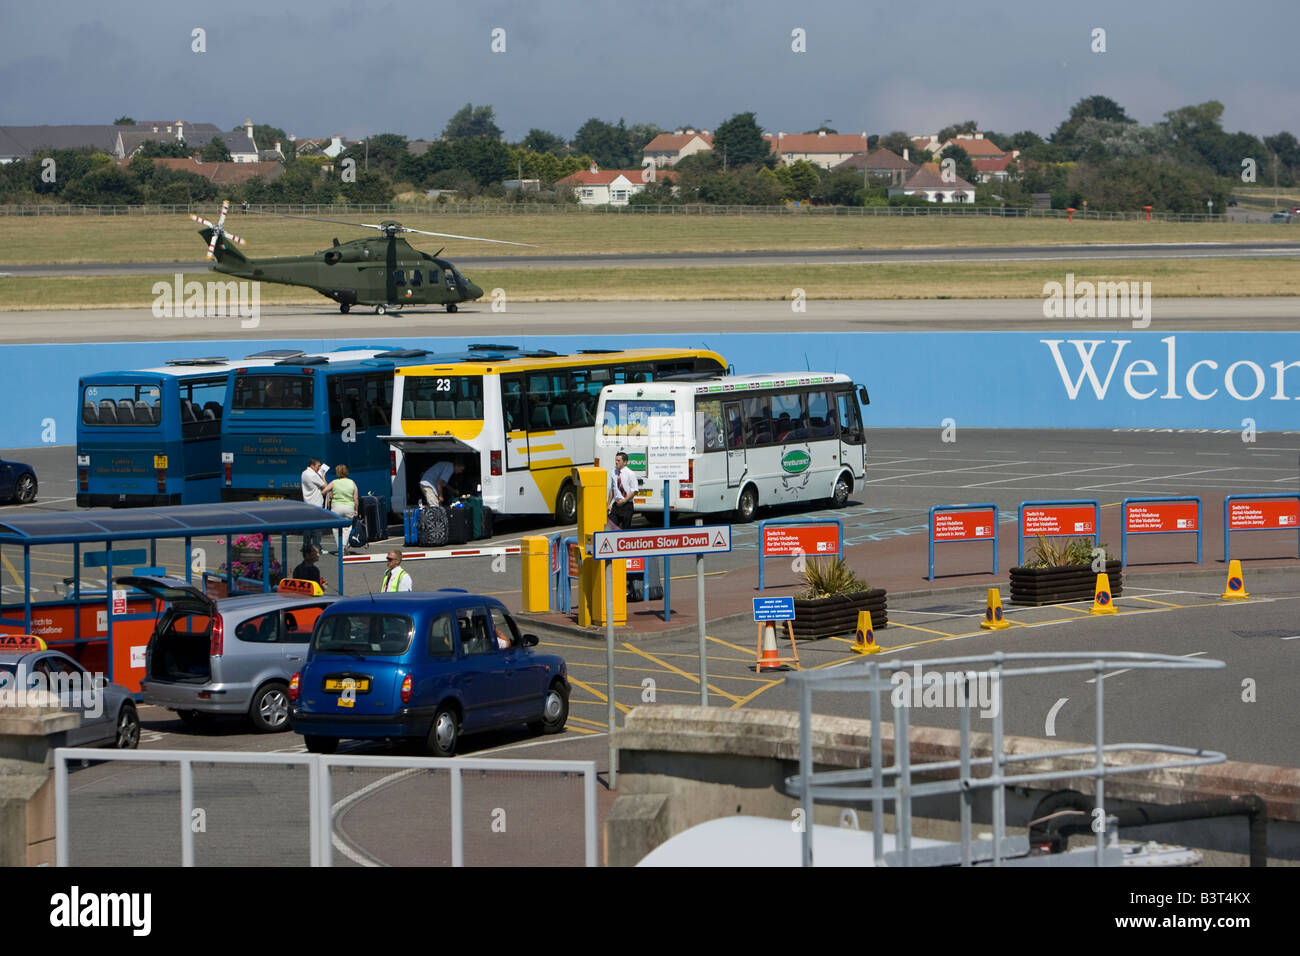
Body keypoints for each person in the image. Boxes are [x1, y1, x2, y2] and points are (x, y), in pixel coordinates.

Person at [323, 464, 358, 553]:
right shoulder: (352, 482)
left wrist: (331, 493)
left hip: (336, 507)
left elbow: (324, 491)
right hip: (349, 507)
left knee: (335, 527)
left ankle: (340, 547)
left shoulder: (334, 482)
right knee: (347, 528)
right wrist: (356, 509)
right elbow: (355, 498)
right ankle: (343, 547)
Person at [301, 457, 327, 553]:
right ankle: (317, 547)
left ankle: (306, 545)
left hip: (308, 503)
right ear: (312, 465)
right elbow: (325, 486)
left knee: (308, 528)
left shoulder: (304, 473)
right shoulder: (313, 475)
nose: (319, 469)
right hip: (316, 504)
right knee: (317, 529)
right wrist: (323, 476)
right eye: (318, 466)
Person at [607, 451, 638, 530]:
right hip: (616, 505)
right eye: (616, 460)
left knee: (625, 529)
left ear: (625, 462)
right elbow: (612, 489)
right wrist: (608, 504)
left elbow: (634, 490)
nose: (616, 462)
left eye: (618, 460)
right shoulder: (613, 472)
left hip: (627, 505)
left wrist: (624, 501)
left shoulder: (630, 473)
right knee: (612, 525)